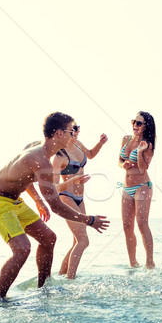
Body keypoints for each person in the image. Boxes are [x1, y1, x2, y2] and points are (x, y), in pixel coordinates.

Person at [0, 112, 109, 298]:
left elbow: (23, 176)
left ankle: (43, 291)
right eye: (70, 131)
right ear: (58, 134)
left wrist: (38, 201)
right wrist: (88, 220)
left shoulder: (37, 149)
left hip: (14, 201)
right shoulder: (42, 161)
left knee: (48, 238)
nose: (73, 134)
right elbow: (56, 206)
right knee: (22, 249)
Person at [51, 119, 108, 279]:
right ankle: (71, 280)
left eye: (78, 128)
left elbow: (90, 154)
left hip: (79, 198)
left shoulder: (77, 144)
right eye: (73, 129)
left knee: (77, 241)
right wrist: (72, 181)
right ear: (64, 132)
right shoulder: (59, 156)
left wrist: (100, 143)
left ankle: (62, 275)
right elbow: (54, 188)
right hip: (66, 198)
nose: (77, 132)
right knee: (83, 241)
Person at [119, 111, 156, 269]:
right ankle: (133, 263)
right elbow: (119, 161)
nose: (135, 125)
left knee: (141, 223)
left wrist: (140, 152)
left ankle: (149, 262)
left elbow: (142, 169)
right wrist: (124, 165)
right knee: (127, 226)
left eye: (139, 123)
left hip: (143, 186)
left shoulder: (148, 144)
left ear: (145, 126)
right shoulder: (125, 139)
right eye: (134, 121)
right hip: (127, 187)